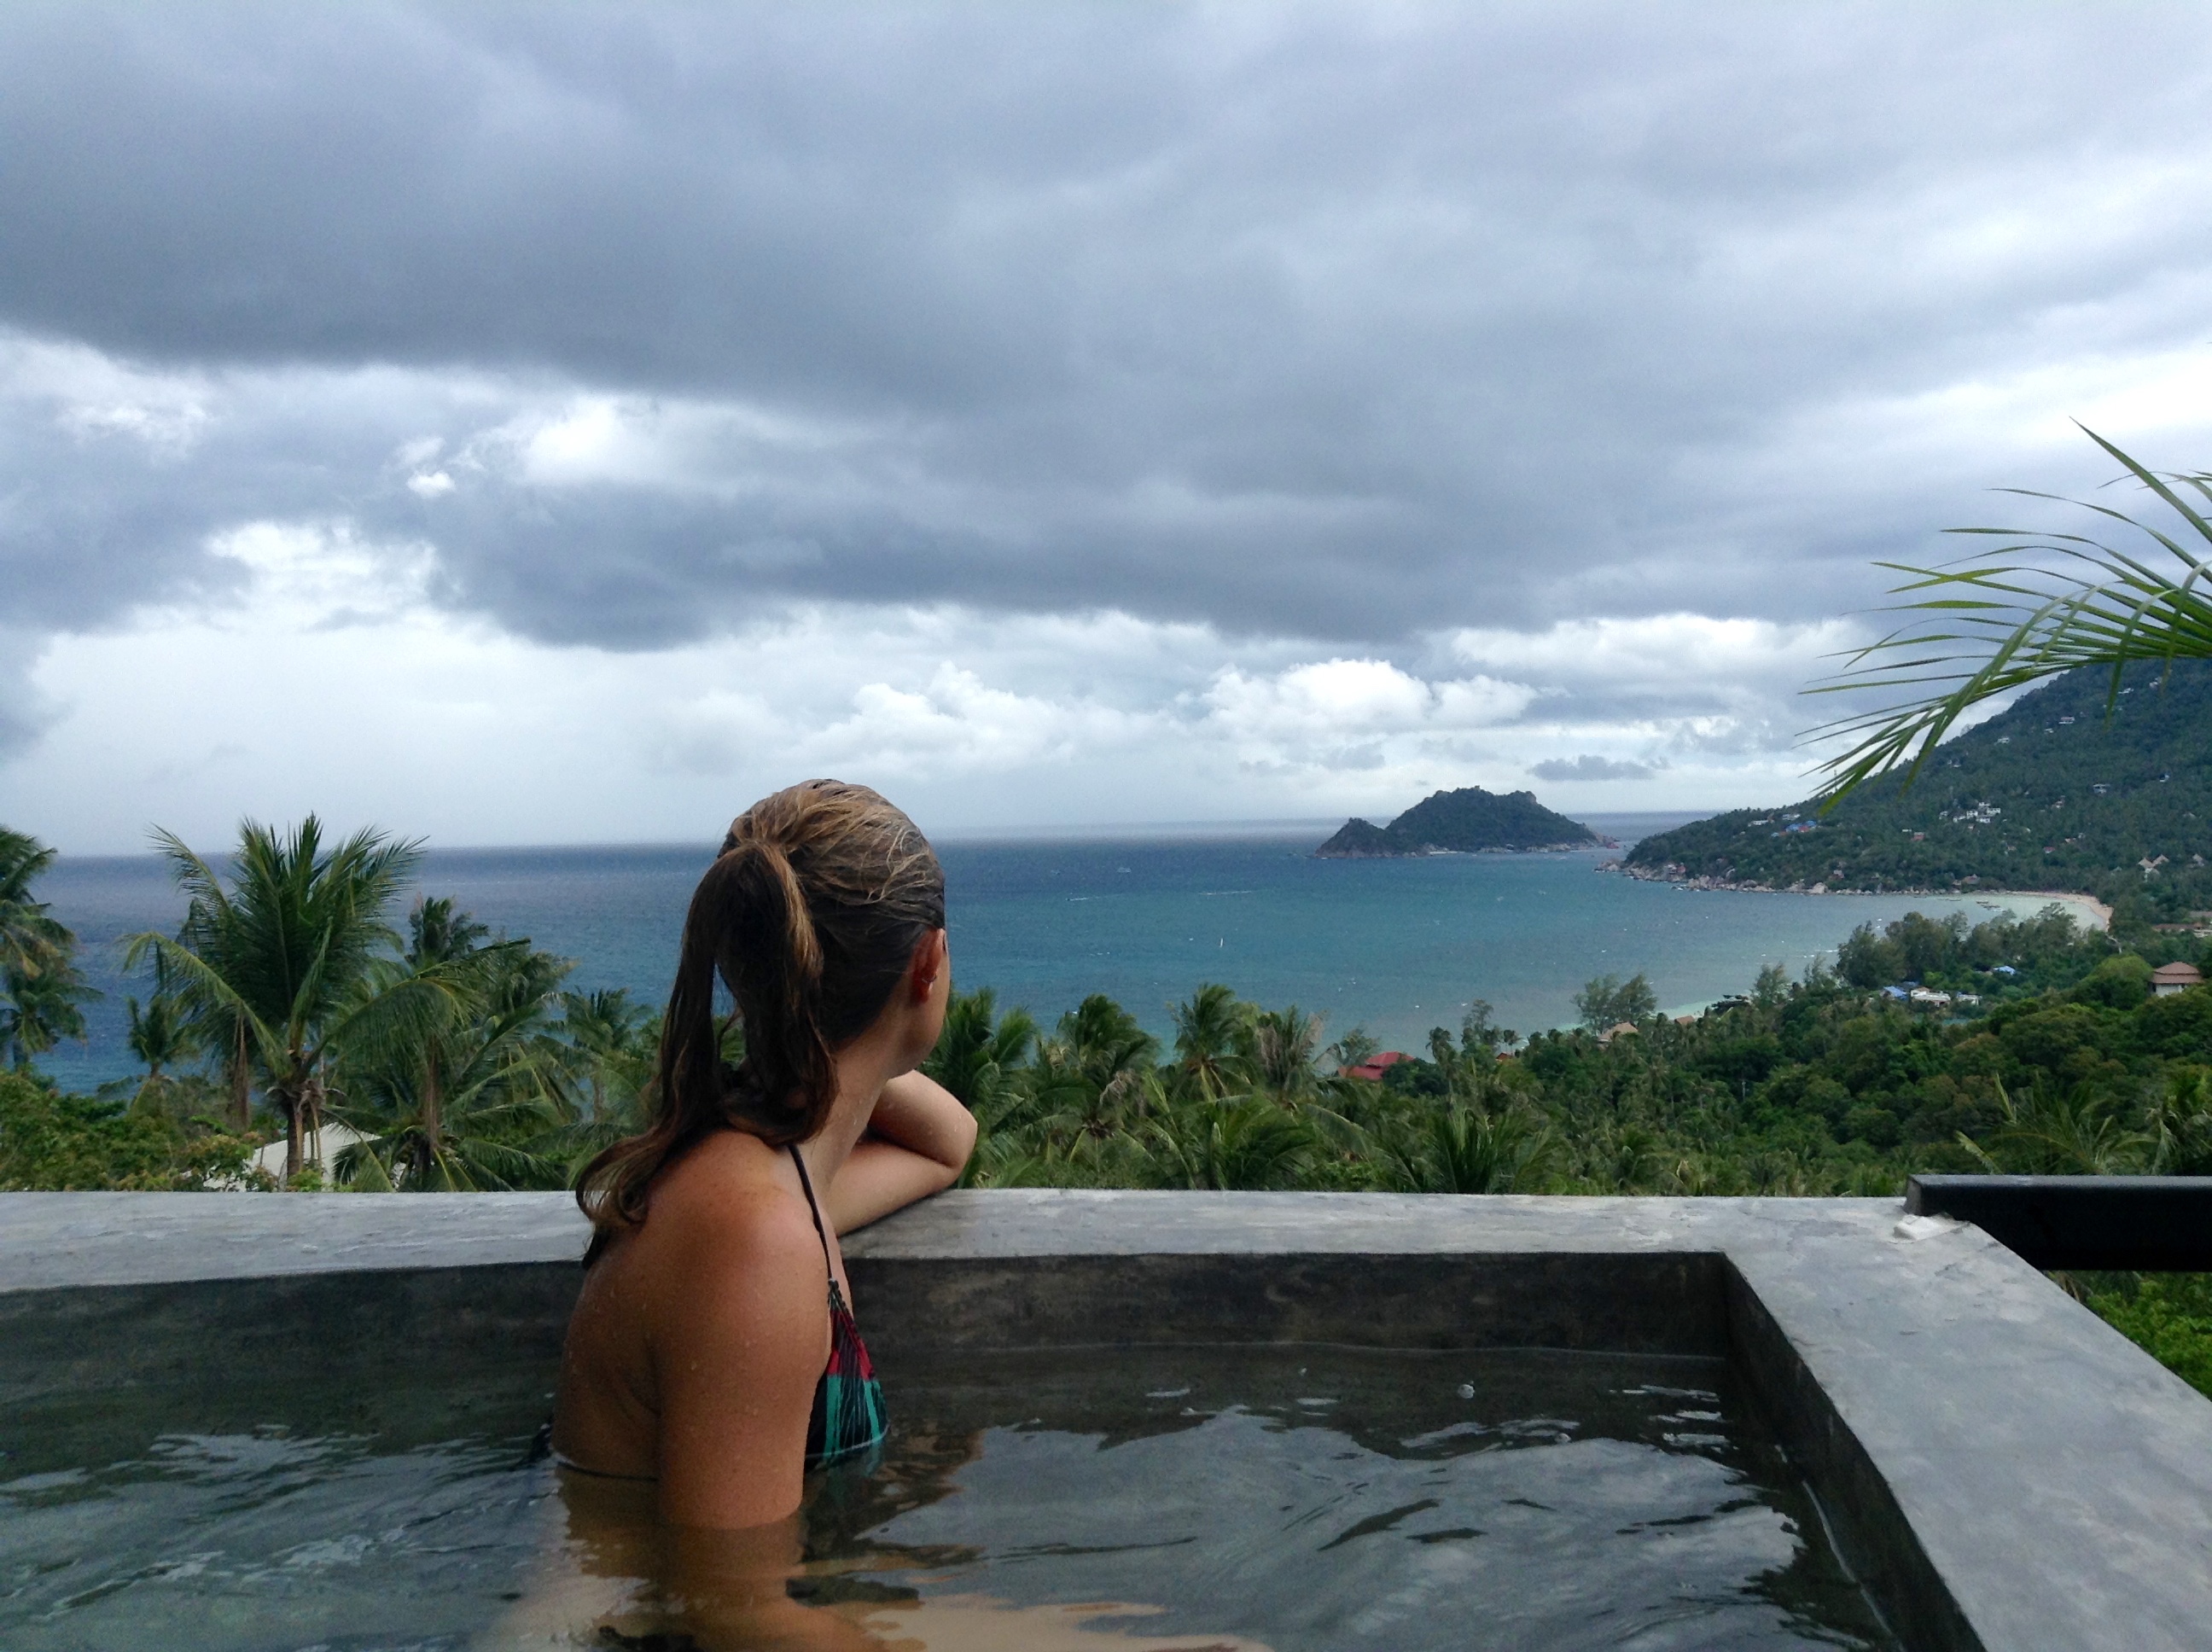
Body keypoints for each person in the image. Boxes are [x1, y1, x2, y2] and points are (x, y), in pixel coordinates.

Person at [553, 779, 976, 1533]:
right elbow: (731, 1618)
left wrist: (800, 1026)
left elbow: (948, 1146)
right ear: (929, 964)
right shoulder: (753, 1240)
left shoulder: (770, 1178)